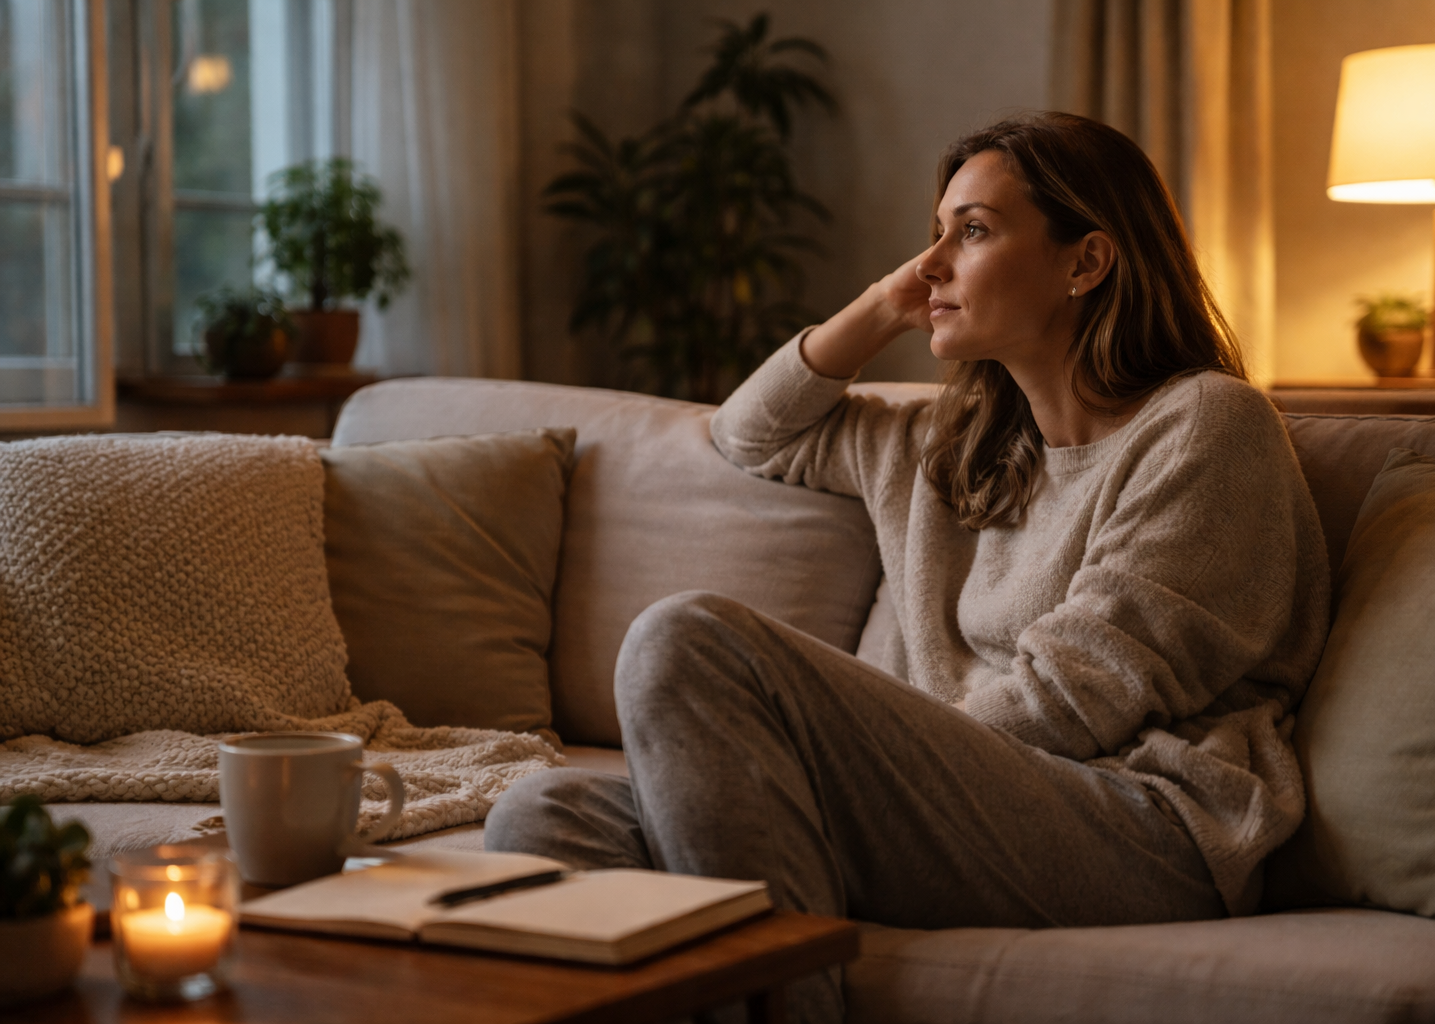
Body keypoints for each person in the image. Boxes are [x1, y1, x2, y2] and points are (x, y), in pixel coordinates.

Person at [485, 112, 1330, 1023]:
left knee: (685, 639)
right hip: (958, 801)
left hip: (1141, 824)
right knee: (542, 818)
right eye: (935, 234)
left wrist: (851, 766)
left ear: (1086, 263)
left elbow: (1074, 700)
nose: (931, 264)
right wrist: (887, 304)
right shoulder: (948, 445)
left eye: (973, 232)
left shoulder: (1206, 424)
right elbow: (747, 435)